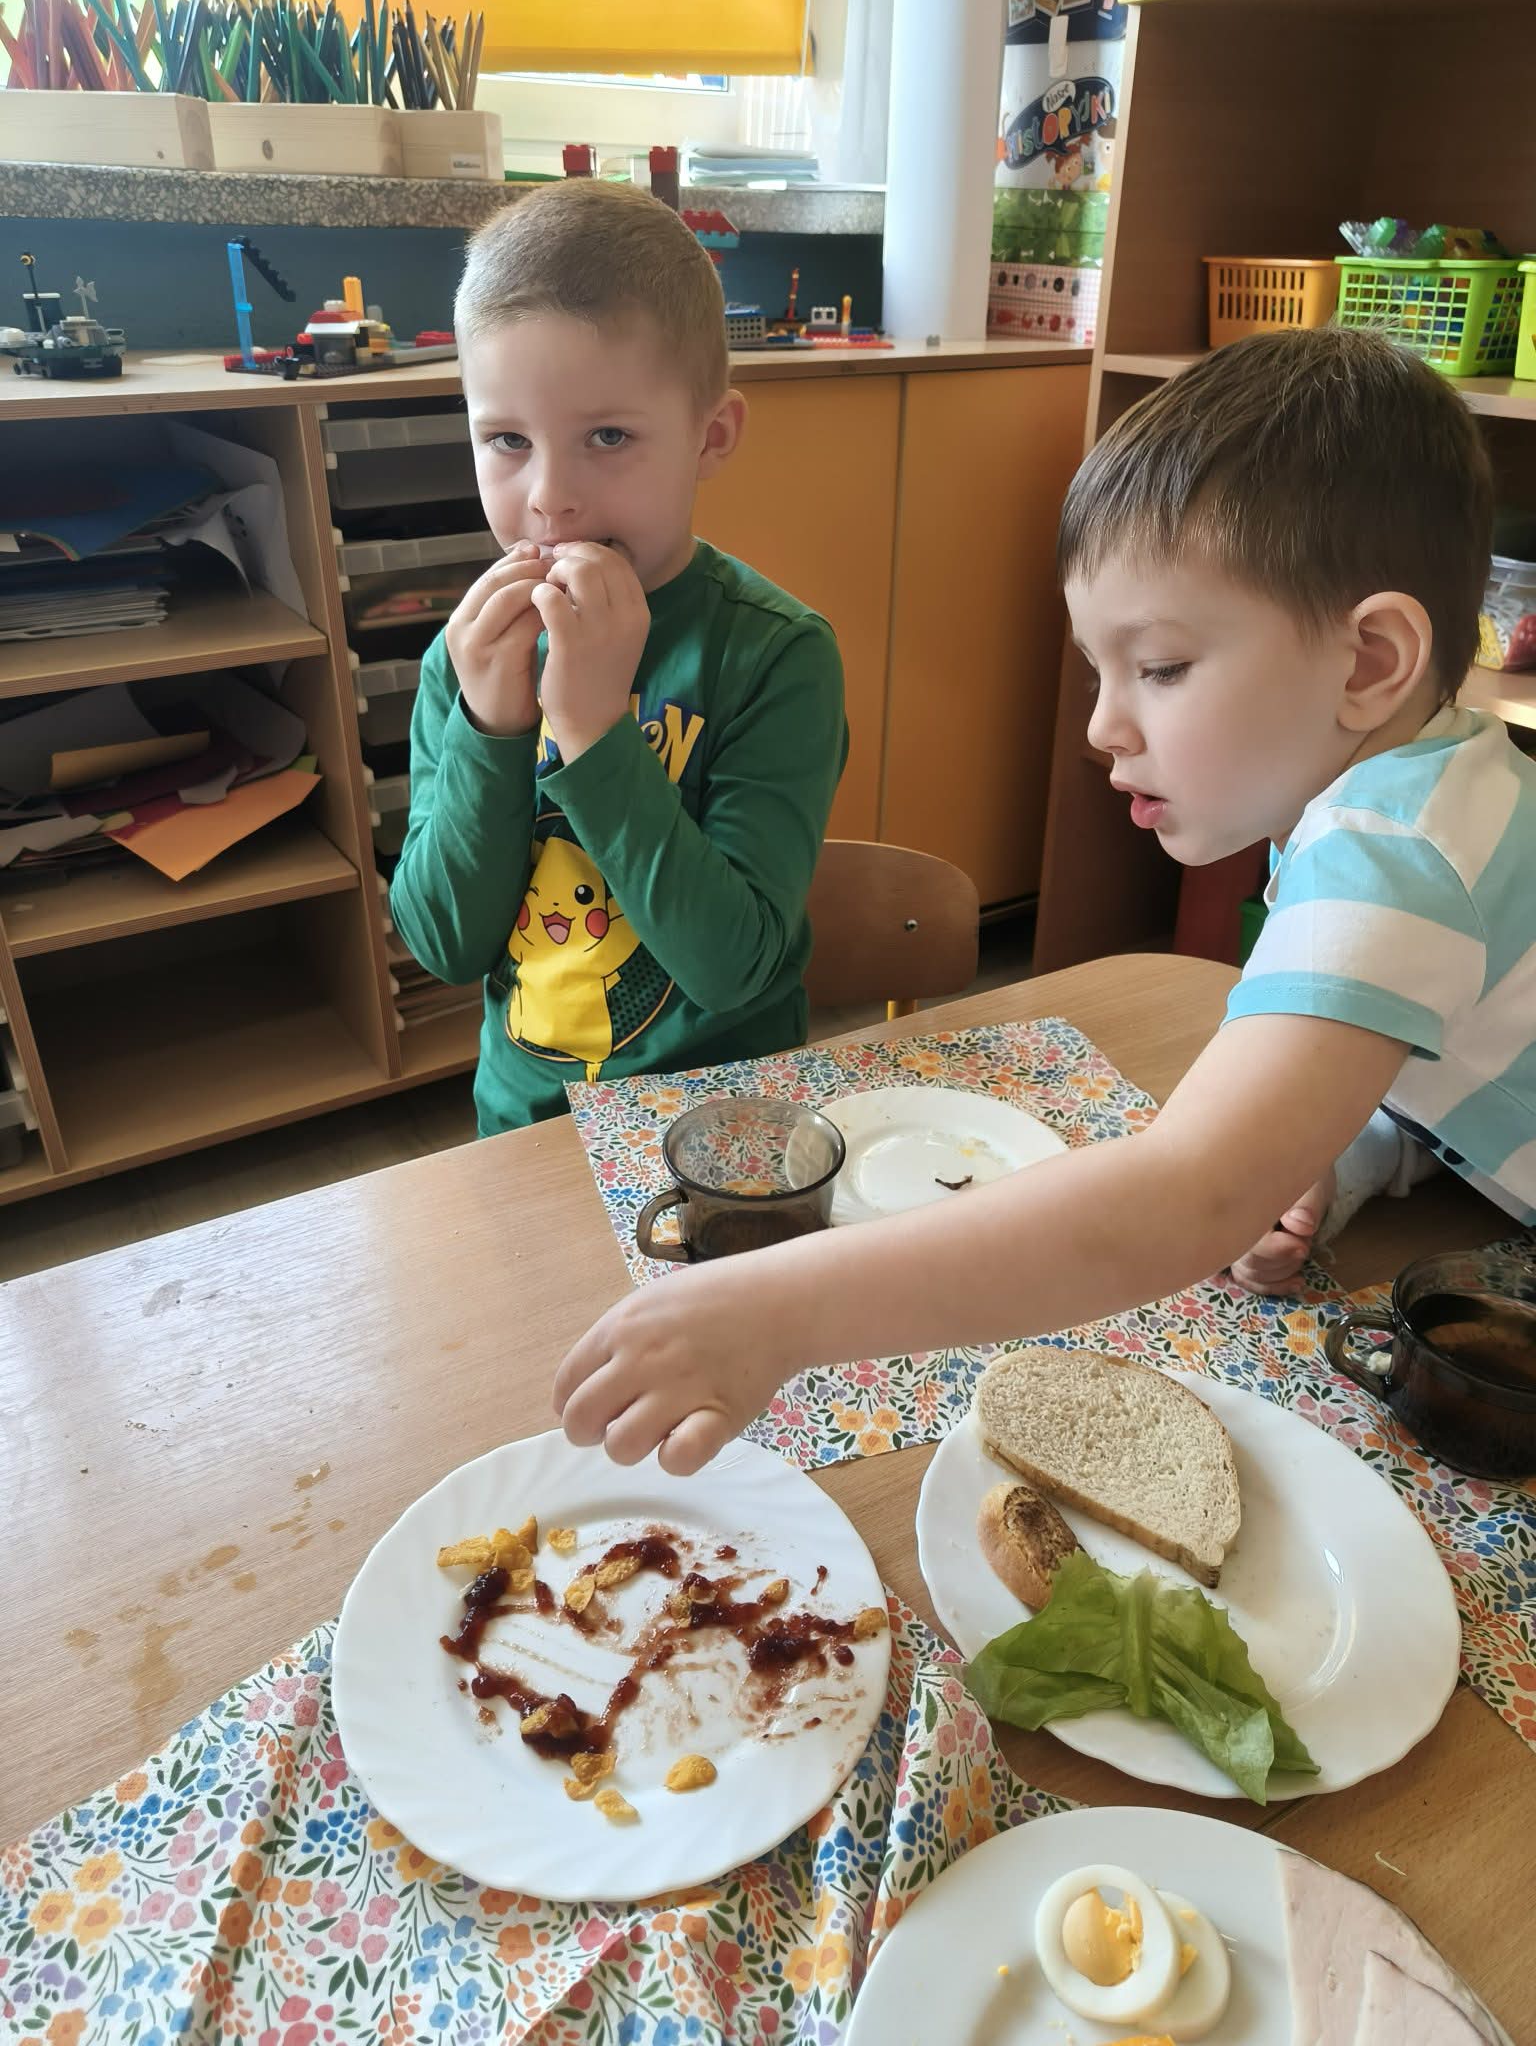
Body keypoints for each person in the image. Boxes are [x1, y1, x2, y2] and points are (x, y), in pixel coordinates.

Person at [553, 326, 1535, 1474]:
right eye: (1100, 670)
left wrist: (774, 1307)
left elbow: (1183, 1196)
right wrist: (1343, 1143)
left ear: (1370, 662)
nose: (1104, 726)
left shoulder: (1390, 853)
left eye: (1160, 667)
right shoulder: (1429, 796)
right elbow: (1467, 1044)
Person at [390, 181, 846, 1133]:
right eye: (506, 440)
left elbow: (732, 969)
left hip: (725, 1129)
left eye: (608, 437)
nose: (549, 497)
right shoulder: (469, 660)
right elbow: (442, 945)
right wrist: (491, 727)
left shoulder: (776, 656)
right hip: (526, 1130)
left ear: (710, 436)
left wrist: (594, 730)